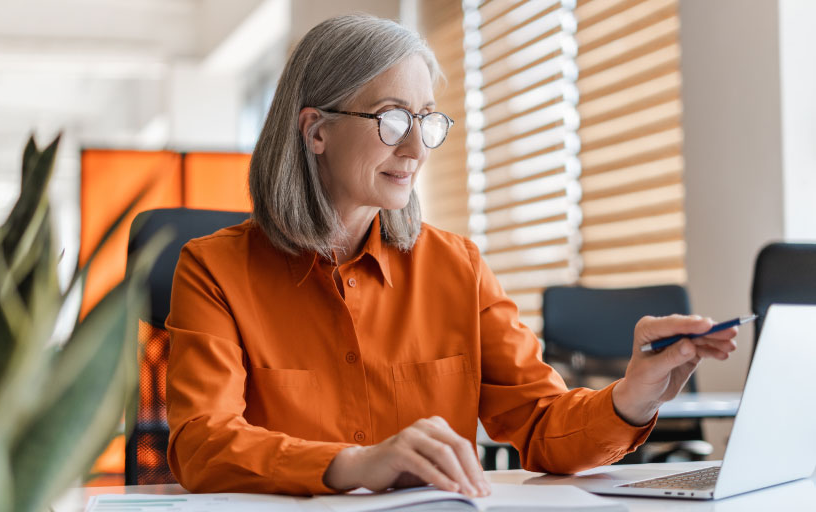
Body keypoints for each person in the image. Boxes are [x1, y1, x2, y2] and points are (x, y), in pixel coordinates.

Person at [165, 14, 737, 497]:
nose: (415, 149)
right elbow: (200, 441)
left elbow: (541, 425)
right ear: (316, 131)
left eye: (425, 120)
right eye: (392, 119)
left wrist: (633, 395)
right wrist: (351, 464)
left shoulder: (456, 267)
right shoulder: (213, 270)